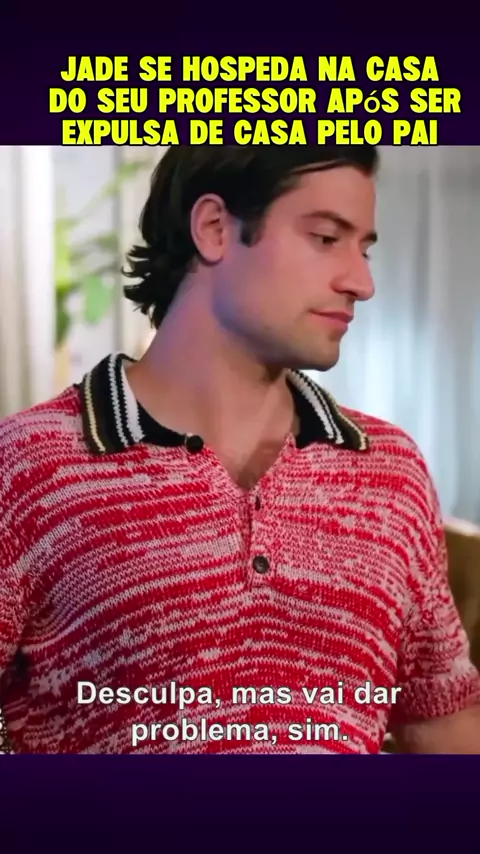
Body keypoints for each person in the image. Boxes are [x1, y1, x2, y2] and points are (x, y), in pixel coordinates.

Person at [1, 146, 479, 755]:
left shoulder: (390, 472)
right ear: (214, 228)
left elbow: (442, 722)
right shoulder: (31, 467)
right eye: (326, 238)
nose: (361, 282)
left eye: (364, 249)